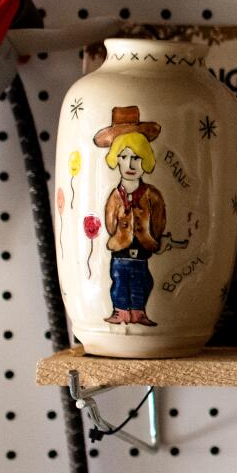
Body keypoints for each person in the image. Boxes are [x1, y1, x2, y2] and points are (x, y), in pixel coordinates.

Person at [93, 106, 168, 326]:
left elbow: (159, 219)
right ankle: (120, 311)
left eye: (136, 158)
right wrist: (119, 233)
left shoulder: (151, 195)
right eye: (124, 157)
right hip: (120, 248)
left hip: (143, 248)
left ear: (145, 161)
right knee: (118, 280)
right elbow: (109, 221)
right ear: (116, 160)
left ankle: (138, 311)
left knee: (141, 281)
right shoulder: (116, 196)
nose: (130, 164)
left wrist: (152, 236)